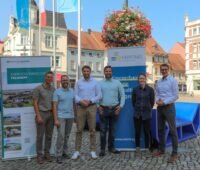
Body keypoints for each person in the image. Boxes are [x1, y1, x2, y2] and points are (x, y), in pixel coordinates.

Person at [72, 65, 102, 160]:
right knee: (79, 129)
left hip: (91, 107)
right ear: (82, 72)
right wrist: (81, 101)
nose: (86, 72)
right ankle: (77, 151)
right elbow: (75, 95)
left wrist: (90, 101)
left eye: (87, 71)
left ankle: (92, 151)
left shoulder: (95, 82)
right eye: (84, 71)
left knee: (92, 130)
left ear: (90, 72)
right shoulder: (78, 82)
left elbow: (99, 95)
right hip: (81, 107)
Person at [153, 64, 179, 163]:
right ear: (160, 71)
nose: (163, 71)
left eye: (165, 69)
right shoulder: (159, 82)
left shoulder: (173, 81)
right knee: (160, 129)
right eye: (162, 69)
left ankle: (174, 153)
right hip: (160, 108)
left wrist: (164, 102)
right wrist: (157, 100)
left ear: (168, 70)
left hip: (169, 108)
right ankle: (161, 149)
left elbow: (176, 96)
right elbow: (157, 93)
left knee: (173, 131)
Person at [98, 65, 125, 156]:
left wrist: (120, 107)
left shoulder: (117, 83)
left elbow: (123, 96)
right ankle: (102, 150)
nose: (108, 72)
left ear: (112, 72)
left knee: (112, 131)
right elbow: (96, 96)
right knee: (102, 131)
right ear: (104, 72)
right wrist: (98, 106)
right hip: (103, 110)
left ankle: (111, 148)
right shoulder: (99, 83)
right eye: (106, 71)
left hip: (114, 110)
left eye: (110, 71)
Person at [53, 75, 76, 164]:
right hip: (61, 116)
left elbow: (74, 104)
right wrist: (55, 119)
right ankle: (58, 155)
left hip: (70, 116)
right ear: (61, 81)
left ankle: (65, 152)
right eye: (63, 80)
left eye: (66, 80)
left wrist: (75, 116)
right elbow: (54, 106)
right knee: (61, 136)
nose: (65, 81)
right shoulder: (57, 92)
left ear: (69, 81)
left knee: (66, 136)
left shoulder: (72, 91)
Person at [33, 71, 55, 164]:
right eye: (48, 77)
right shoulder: (38, 88)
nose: (49, 78)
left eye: (51, 77)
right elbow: (35, 103)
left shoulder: (53, 89)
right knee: (40, 136)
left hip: (51, 114)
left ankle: (47, 153)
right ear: (45, 77)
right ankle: (39, 155)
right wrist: (38, 116)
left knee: (49, 136)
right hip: (41, 113)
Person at [131, 74, 155, 153]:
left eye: (143, 78)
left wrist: (147, 108)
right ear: (138, 80)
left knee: (146, 131)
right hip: (137, 114)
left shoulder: (150, 90)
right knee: (137, 131)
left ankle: (147, 147)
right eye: (140, 78)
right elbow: (133, 102)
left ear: (145, 79)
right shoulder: (135, 90)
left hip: (146, 114)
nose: (141, 80)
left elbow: (152, 102)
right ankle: (137, 146)